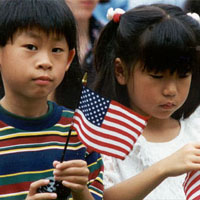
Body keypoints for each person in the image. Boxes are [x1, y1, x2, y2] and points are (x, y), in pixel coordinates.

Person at [94, 3, 200, 199]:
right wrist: (163, 168)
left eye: (183, 75)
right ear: (121, 71)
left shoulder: (196, 125)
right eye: (157, 76)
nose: (171, 91)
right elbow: (97, 197)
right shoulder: (105, 136)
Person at [0, 0, 103, 200]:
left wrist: (81, 190)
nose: (45, 62)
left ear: (69, 59)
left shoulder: (80, 131)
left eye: (56, 50)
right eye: (31, 46)